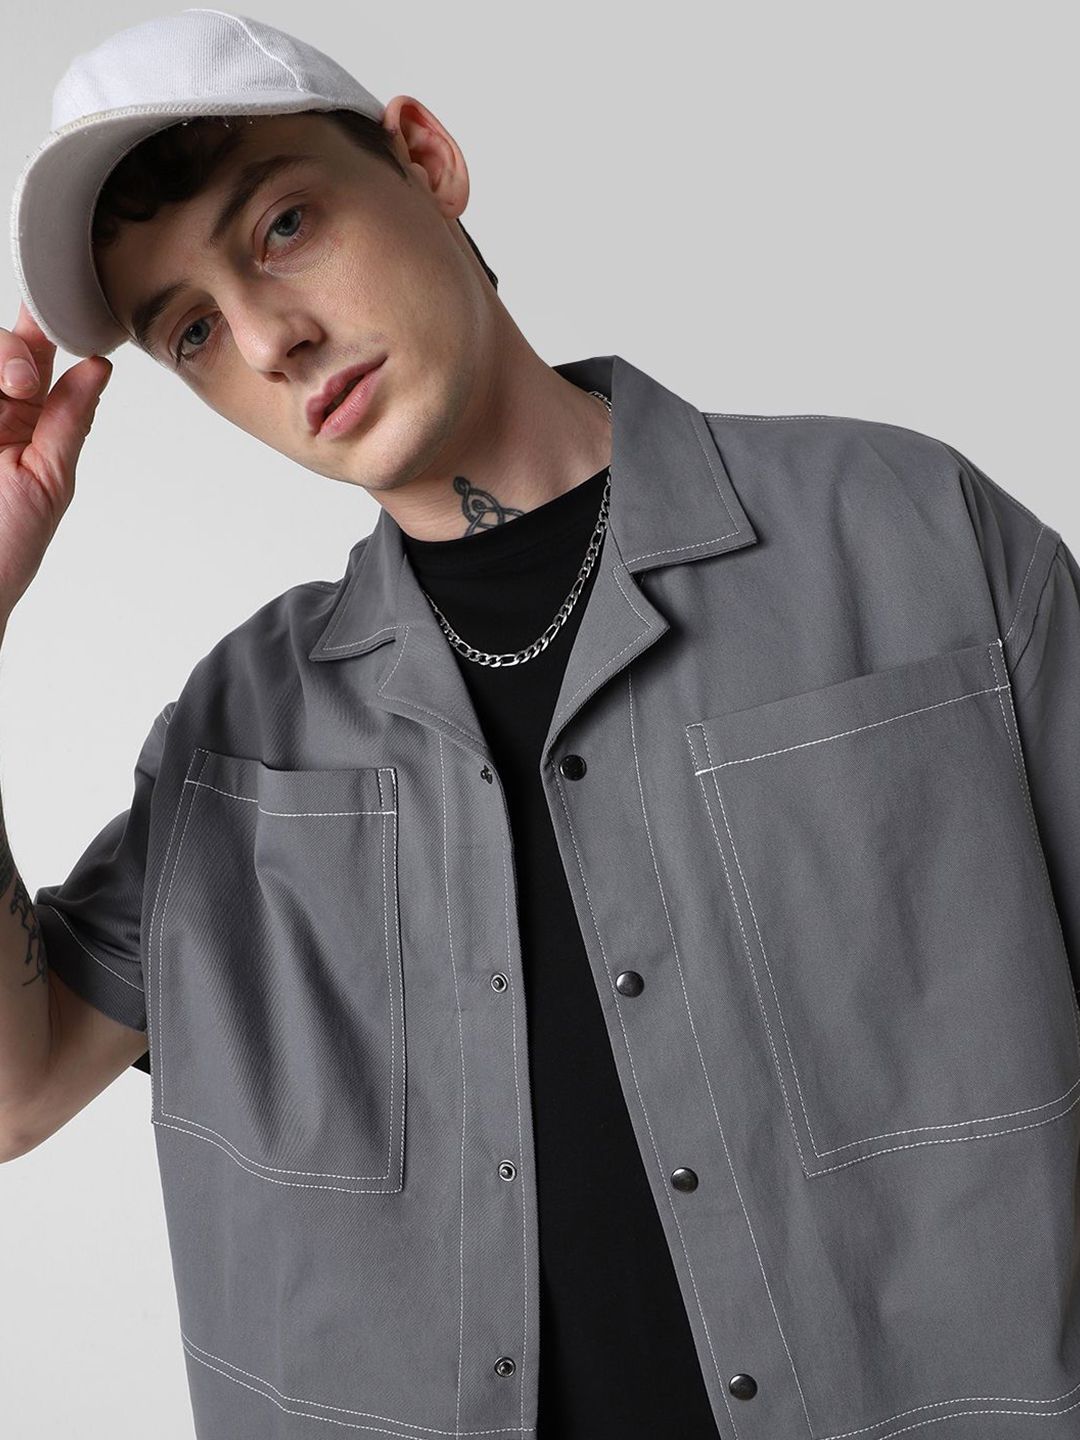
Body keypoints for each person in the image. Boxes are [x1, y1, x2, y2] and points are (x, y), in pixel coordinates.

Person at [2, 10, 1078, 1440]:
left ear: (427, 158)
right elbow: (13, 1091)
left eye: (282, 226)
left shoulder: (913, 540)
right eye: (190, 330)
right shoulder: (237, 740)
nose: (269, 339)